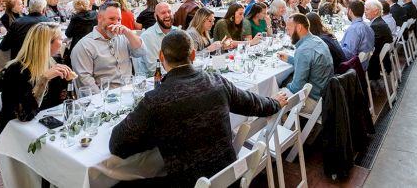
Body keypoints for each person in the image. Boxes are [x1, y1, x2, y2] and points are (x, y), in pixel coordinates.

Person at [109, 30, 287, 187]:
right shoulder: (218, 82)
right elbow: (253, 104)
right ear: (193, 55)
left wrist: (152, 135)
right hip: (229, 176)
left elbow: (117, 145)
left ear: (161, 56)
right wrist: (275, 103)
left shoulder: (156, 100)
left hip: (189, 182)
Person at [0, 22, 73, 134]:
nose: (63, 43)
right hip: (16, 132)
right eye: (60, 39)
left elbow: (60, 101)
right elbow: (24, 115)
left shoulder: (52, 63)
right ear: (46, 44)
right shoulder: (16, 71)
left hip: (42, 125)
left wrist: (67, 82)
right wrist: (44, 80)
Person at [71, 1, 145, 93]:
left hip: (129, 92)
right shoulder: (84, 46)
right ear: (99, 18)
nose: (116, 23)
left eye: (119, 20)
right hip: (105, 98)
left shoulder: (123, 37)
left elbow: (141, 52)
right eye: (112, 19)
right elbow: (85, 83)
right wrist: (103, 100)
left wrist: (128, 32)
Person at [278, 14, 333, 112]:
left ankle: (285, 126)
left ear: (299, 28)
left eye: (288, 29)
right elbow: (311, 64)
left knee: (272, 100)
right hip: (326, 95)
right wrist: (290, 59)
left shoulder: (303, 50)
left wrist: (281, 87)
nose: (287, 33)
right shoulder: (317, 40)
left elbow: (296, 87)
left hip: (313, 100)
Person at [138, 3, 178, 75]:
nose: (167, 15)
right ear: (155, 17)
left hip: (175, 76)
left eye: (169, 12)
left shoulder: (177, 31)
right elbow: (154, 69)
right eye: (163, 13)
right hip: (153, 81)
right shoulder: (147, 36)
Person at [339, 0, 375, 69]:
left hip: (354, 67)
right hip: (363, 64)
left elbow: (348, 54)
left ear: (350, 11)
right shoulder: (368, 27)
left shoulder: (354, 29)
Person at [364, 0, 393, 80]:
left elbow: (370, 47)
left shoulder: (376, 26)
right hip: (382, 59)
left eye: (367, 9)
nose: (365, 12)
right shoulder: (379, 22)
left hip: (374, 64)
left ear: (376, 11)